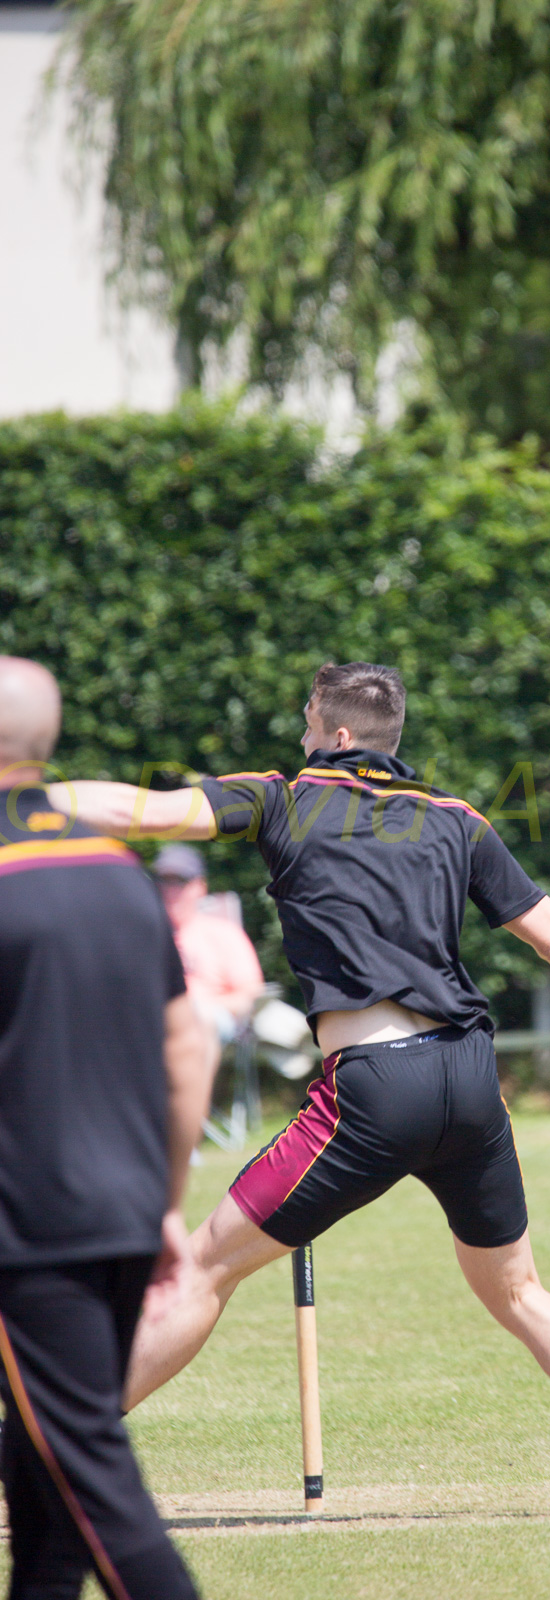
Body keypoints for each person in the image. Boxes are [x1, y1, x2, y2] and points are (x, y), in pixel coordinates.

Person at [54, 661, 550, 1515]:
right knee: (518, 1291)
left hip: (376, 1092)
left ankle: (48, 1454)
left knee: (203, 1267)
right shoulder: (456, 818)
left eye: (307, 722)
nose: (300, 737)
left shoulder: (281, 798)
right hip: (470, 1082)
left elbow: (146, 811)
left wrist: (27, 800)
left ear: (337, 734)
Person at [0, 657, 209, 1599]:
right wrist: (164, 1201)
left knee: (88, 1473)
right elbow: (187, 1049)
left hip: (29, 1224)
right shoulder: (119, 871)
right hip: (124, 1208)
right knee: (43, 1492)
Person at [154, 841, 264, 1083]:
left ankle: (189, 1105)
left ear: (200, 887)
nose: (170, 890)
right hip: (153, 1021)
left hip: (209, 1019)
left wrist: (196, 1007)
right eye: (163, 880)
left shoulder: (223, 933)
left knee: (199, 1020)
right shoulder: (143, 936)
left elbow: (250, 993)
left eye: (179, 881)